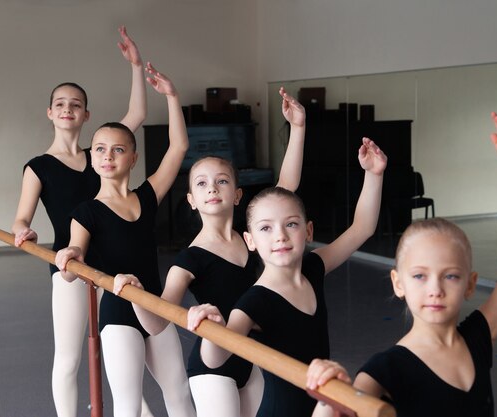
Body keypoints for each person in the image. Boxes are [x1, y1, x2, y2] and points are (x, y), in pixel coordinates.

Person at [306, 112, 497, 417]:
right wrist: (329, 399)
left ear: (470, 283)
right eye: (419, 276)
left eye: (451, 276)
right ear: (398, 282)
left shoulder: (477, 339)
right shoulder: (382, 373)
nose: (435, 290)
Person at [114, 87, 307, 417]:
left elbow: (285, 187)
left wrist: (298, 128)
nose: (212, 188)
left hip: (252, 357)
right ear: (191, 200)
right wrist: (134, 295)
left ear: (237, 194)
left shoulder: (253, 237)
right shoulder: (191, 258)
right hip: (212, 366)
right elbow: (159, 322)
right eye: (201, 184)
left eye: (221, 181)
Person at [186, 137, 387, 417]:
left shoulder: (312, 269)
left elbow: (362, 228)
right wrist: (212, 327)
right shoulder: (254, 300)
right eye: (266, 228)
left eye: (290, 224)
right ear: (250, 240)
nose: (280, 235)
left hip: (320, 406)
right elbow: (216, 357)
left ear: (308, 231)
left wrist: (374, 174)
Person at [10, 26, 151, 417]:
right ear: (51, 112)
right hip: (71, 266)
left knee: (122, 351)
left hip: (115, 268)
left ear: (86, 114)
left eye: (76, 104)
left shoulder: (102, 154)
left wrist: (136, 66)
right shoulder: (38, 167)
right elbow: (22, 215)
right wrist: (23, 229)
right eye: (60, 103)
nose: (68, 109)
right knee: (69, 356)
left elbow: (137, 114)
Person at [54, 66, 196, 417]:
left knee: (179, 393)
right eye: (100, 149)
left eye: (118, 150)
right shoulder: (86, 212)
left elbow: (178, 147)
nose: (107, 155)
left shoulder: (147, 196)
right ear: (93, 158)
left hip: (156, 307)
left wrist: (172, 97)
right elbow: (75, 257)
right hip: (118, 314)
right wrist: (70, 258)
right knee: (128, 405)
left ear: (133, 157)